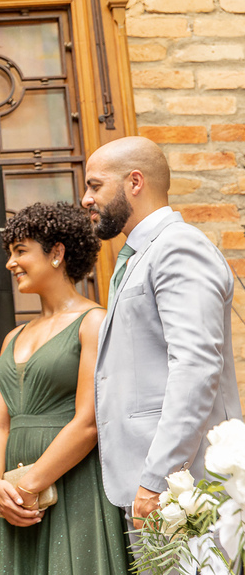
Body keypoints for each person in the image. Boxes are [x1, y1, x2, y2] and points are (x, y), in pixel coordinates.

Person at [82, 136, 242, 535]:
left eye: (95, 185)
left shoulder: (178, 247)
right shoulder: (141, 254)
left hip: (185, 490)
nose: (85, 199)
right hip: (151, 488)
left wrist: (158, 478)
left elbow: (196, 366)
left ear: (134, 182)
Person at [0, 201, 130, 575]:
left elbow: (89, 422)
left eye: (20, 252)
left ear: (57, 254)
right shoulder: (13, 337)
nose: (10, 264)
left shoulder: (93, 323)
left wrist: (30, 485)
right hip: (17, 500)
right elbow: (0, 424)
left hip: (72, 487)